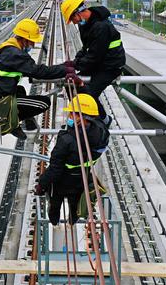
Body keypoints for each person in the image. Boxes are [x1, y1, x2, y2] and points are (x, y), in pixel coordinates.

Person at [0, 18, 82, 139]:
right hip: (3, 102)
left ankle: (23, 120)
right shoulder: (16, 54)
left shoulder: (9, 50)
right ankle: (11, 123)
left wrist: (62, 66)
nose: (32, 45)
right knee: (44, 103)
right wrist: (64, 70)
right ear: (24, 39)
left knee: (20, 89)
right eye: (31, 42)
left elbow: (29, 70)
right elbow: (38, 71)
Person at [34, 94, 110, 225]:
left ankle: (54, 220)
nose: (69, 116)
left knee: (55, 204)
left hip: (62, 182)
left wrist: (42, 185)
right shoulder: (103, 133)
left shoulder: (66, 140)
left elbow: (54, 170)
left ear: (81, 117)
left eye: (71, 114)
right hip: (82, 180)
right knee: (74, 205)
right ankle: (72, 221)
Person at [60, 0, 126, 125]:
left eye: (72, 19)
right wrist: (75, 61)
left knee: (88, 93)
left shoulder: (102, 27)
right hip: (98, 64)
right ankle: (81, 115)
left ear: (77, 12)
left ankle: (103, 121)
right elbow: (86, 48)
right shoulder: (85, 25)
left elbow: (94, 56)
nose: (73, 23)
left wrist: (75, 66)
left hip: (110, 66)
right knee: (70, 84)